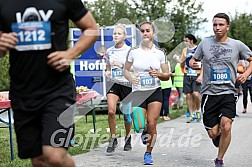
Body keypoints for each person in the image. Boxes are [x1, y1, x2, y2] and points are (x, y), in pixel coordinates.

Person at [0, 1, 98, 167]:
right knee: (38, 159)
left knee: (54, 156)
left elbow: (91, 29)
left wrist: (71, 53)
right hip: (23, 93)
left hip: (58, 90)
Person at [189, 13, 252, 167]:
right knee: (213, 132)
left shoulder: (237, 45)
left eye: (221, 24)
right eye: (215, 24)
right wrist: (193, 65)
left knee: (226, 126)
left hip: (229, 92)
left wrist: (245, 74)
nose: (217, 28)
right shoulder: (205, 43)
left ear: (227, 26)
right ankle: (217, 137)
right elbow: (193, 60)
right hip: (209, 93)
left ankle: (219, 159)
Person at [124, 21, 169, 165]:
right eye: (142, 31)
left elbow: (167, 75)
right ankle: (144, 131)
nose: (145, 33)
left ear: (153, 33)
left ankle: (148, 153)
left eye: (148, 31)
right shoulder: (133, 52)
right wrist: (131, 78)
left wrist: (158, 74)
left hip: (154, 91)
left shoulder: (160, 53)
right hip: (138, 92)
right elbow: (126, 70)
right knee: (139, 125)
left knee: (152, 122)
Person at [104, 24, 133, 153]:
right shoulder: (109, 51)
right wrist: (108, 72)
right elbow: (108, 65)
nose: (116, 35)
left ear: (124, 36)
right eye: (114, 33)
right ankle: (113, 138)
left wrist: (121, 66)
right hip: (113, 84)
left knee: (127, 115)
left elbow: (134, 68)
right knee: (111, 111)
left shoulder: (130, 51)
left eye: (119, 33)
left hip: (126, 84)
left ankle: (128, 137)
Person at [174, 34, 202, 123]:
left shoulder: (199, 49)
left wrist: (201, 75)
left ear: (191, 40)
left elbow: (204, 62)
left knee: (196, 94)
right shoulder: (185, 50)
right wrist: (177, 59)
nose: (184, 42)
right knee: (189, 95)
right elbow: (182, 62)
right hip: (187, 74)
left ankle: (198, 111)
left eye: (186, 40)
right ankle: (192, 114)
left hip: (197, 74)